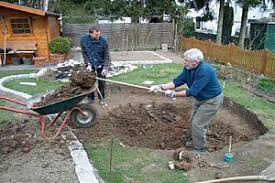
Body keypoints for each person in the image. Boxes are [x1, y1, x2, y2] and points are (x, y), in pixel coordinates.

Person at [149, 48, 223, 152]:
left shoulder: (204, 71)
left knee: (197, 124)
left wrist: (173, 94)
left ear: (195, 62)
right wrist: (160, 87)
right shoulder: (188, 68)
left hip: (211, 100)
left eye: (186, 60)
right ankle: (196, 142)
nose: (184, 62)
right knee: (194, 121)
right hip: (200, 99)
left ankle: (200, 148)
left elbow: (192, 91)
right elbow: (177, 81)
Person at [80, 26, 111, 103]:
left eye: (99, 34)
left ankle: (102, 98)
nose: (98, 36)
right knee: (89, 81)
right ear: (90, 34)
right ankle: (90, 98)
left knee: (102, 82)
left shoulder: (104, 41)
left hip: (101, 64)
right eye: (96, 35)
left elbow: (107, 55)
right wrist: (88, 64)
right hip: (91, 64)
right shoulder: (83, 40)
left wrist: (106, 67)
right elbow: (84, 52)